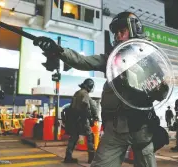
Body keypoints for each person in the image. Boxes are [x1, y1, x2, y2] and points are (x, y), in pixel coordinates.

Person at [33, 12, 169, 167]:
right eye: (115, 32)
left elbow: (163, 92)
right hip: (115, 130)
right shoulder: (111, 59)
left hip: (141, 127)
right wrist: (58, 50)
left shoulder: (148, 59)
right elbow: (82, 61)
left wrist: (158, 88)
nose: (117, 36)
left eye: (122, 31)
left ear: (133, 30)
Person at [61, 78, 99, 163]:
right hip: (82, 119)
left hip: (74, 119)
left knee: (73, 137)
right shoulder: (85, 94)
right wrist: (91, 118)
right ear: (89, 86)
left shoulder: (77, 93)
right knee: (90, 137)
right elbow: (86, 106)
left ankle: (68, 157)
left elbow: (72, 106)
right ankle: (91, 158)